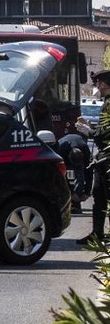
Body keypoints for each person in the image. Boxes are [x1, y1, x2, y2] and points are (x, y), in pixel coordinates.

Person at [75, 69, 110, 244]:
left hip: (108, 156)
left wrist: (89, 131)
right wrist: (90, 125)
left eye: (97, 83)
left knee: (104, 196)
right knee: (99, 195)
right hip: (103, 156)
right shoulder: (106, 102)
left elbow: (107, 131)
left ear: (103, 84)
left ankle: (99, 234)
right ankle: (97, 233)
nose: (95, 86)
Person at [58, 132, 91, 214]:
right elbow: (61, 176)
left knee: (80, 176)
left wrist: (87, 192)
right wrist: (71, 193)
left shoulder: (85, 149)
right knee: (64, 177)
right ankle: (68, 199)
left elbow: (89, 171)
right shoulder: (61, 149)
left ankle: (77, 200)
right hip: (64, 154)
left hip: (77, 154)